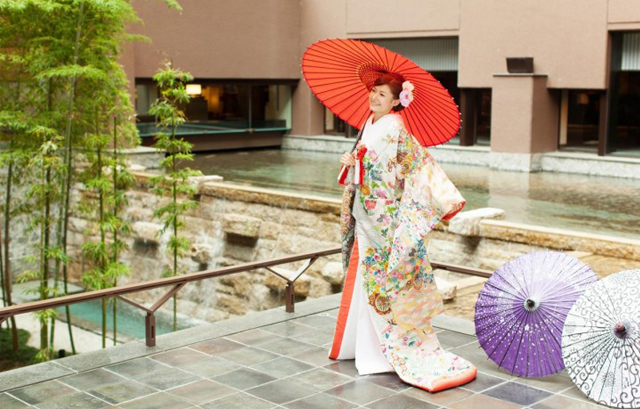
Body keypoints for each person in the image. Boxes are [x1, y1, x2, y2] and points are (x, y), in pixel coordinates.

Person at [329, 72, 477, 392]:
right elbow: (364, 167)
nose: (374, 98)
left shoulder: (394, 126)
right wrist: (350, 161)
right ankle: (362, 348)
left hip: (382, 217)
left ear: (397, 101)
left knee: (381, 282)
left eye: (382, 94)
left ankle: (380, 353)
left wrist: (358, 163)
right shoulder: (369, 123)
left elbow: (398, 169)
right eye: (373, 92)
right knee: (368, 280)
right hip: (366, 212)